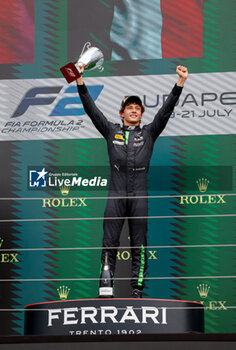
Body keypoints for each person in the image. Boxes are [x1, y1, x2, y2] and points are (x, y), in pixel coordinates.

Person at [76, 65, 188, 298]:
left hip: (139, 196)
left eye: (138, 108)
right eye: (130, 108)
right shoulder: (110, 130)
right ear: (122, 113)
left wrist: (180, 83)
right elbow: (91, 109)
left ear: (141, 113)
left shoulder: (149, 133)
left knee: (139, 244)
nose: (134, 110)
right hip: (115, 195)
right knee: (109, 242)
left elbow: (165, 111)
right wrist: (79, 81)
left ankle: (137, 290)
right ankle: (106, 288)